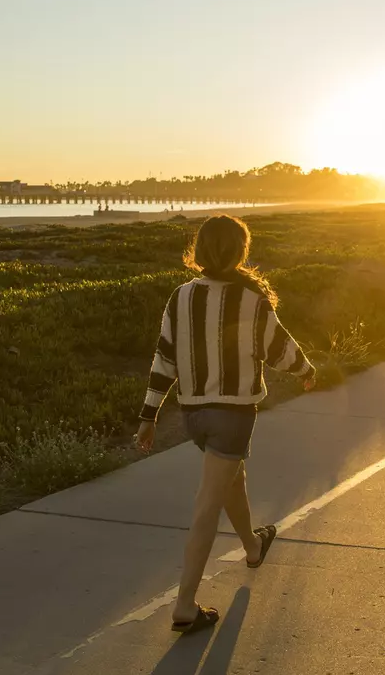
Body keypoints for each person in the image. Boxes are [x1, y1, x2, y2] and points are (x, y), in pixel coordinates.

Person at [135, 215, 316, 634]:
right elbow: (281, 349)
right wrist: (307, 370)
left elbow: (163, 359)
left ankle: (253, 546)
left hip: (194, 415)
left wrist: (149, 416)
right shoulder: (251, 299)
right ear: (240, 251)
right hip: (232, 414)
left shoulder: (179, 297)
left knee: (232, 478)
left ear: (198, 250)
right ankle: (184, 606)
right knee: (207, 505)